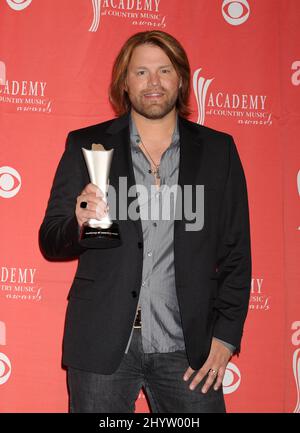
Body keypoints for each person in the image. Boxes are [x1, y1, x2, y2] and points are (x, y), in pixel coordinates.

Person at [39, 30, 251, 413]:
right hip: (103, 344)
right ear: (124, 82)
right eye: (140, 72)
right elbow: (51, 239)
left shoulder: (219, 151)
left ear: (181, 79)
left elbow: (237, 252)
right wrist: (77, 219)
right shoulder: (86, 145)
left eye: (163, 71)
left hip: (189, 349)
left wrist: (226, 336)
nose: (153, 83)